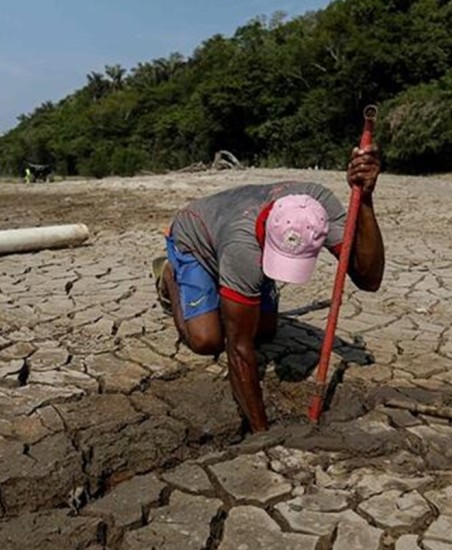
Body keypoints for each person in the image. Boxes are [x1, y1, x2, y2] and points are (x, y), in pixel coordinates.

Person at [153, 145, 384, 432]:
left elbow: (369, 279)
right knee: (207, 340)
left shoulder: (317, 209)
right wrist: (262, 433)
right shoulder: (244, 249)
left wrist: (366, 200)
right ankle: (170, 276)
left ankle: (228, 289)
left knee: (265, 332)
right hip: (195, 239)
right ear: (266, 236)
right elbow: (237, 349)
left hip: (232, 239)